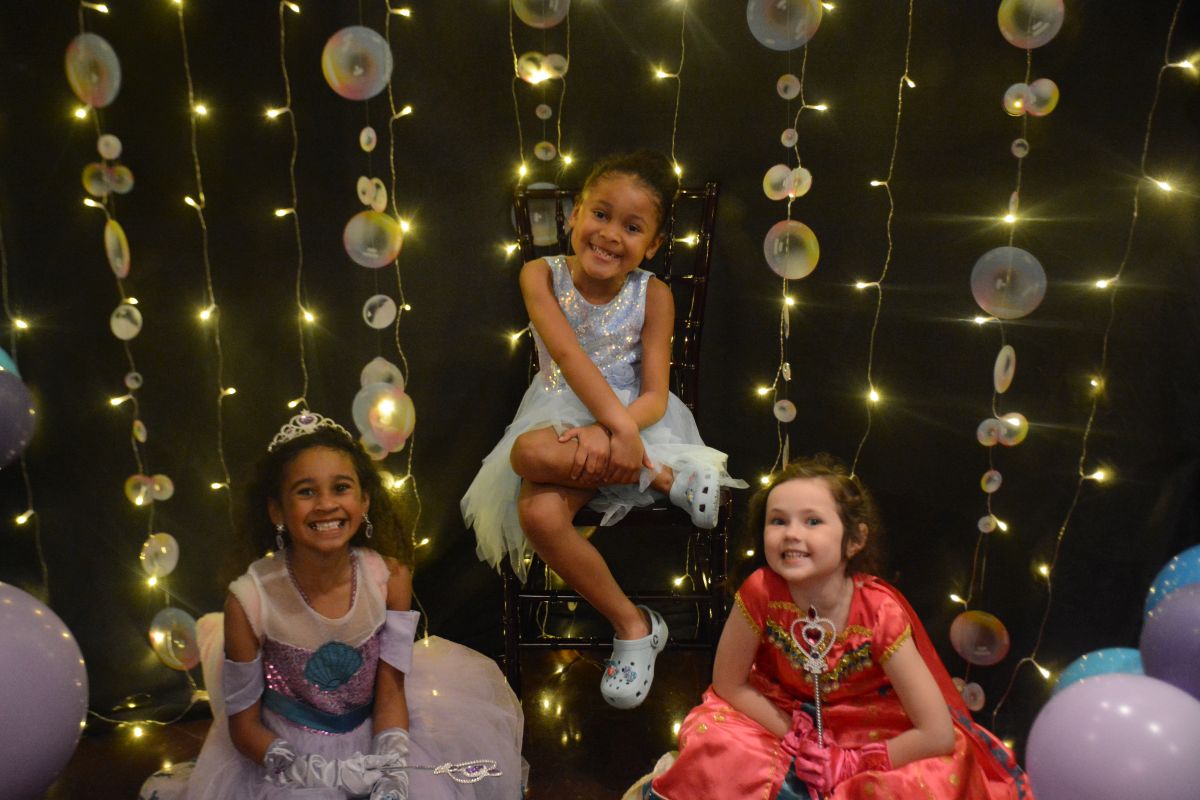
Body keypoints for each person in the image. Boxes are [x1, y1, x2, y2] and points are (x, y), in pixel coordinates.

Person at [461, 150, 745, 709]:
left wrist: (613, 431)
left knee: (538, 506)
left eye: (632, 228)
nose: (611, 234)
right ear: (574, 215)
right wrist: (612, 436)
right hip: (562, 417)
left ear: (653, 245)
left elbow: (655, 395)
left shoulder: (654, 294)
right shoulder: (539, 275)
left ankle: (633, 620)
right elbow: (568, 357)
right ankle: (660, 501)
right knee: (528, 462)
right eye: (600, 214)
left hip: (639, 420)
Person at [646, 455, 1034, 799]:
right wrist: (792, 733)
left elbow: (937, 733)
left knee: (919, 782)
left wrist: (852, 762)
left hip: (868, 724)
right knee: (717, 742)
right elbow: (729, 683)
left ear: (855, 540)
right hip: (779, 708)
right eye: (778, 521)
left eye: (812, 521)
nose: (791, 533)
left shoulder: (878, 613)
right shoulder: (761, 590)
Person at [184, 412, 525, 799]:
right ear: (277, 510)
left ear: (364, 500)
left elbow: (390, 691)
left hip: (375, 733)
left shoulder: (390, 578)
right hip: (287, 752)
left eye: (341, 488)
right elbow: (243, 727)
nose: (326, 504)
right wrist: (310, 769)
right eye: (306, 492)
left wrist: (392, 769)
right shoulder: (249, 601)